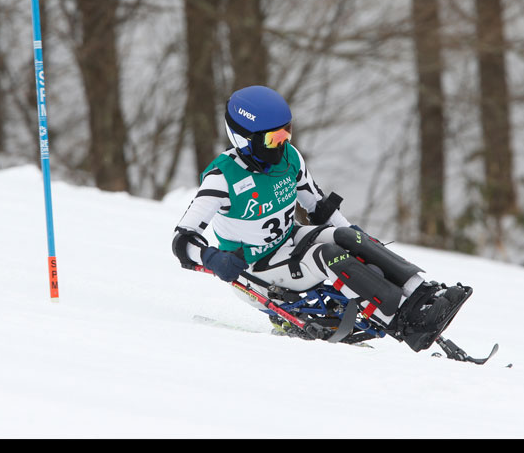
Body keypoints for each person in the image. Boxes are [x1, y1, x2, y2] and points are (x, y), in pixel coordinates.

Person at [172, 85, 468, 352]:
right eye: (274, 138)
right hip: (256, 270)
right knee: (328, 255)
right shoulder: (222, 178)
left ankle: (422, 294)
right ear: (247, 139)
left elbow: (318, 208)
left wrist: (360, 239)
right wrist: (211, 257)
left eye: (287, 131)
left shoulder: (290, 158)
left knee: (345, 238)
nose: (284, 141)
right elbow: (182, 239)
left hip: (288, 242)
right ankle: (405, 323)